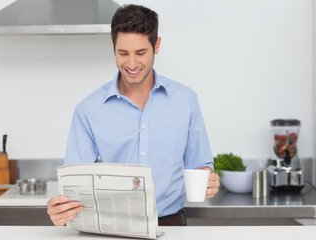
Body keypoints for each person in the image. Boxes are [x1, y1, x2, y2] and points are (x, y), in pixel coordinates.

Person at [47, 4, 220, 226]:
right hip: (112, 227)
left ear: (156, 45)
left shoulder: (185, 100)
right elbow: (74, 186)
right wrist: (61, 209)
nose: (131, 64)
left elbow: (201, 165)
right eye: (123, 53)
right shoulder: (88, 110)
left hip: (172, 225)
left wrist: (208, 179)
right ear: (113, 46)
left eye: (140, 53)